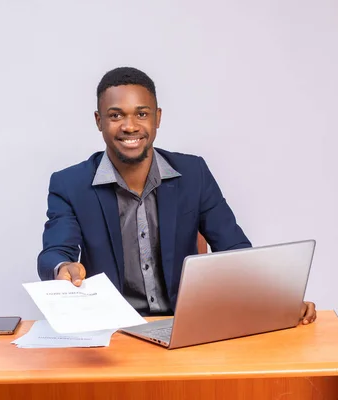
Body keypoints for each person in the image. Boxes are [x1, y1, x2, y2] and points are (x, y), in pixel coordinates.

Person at [37, 67, 317, 324]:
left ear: (158, 118)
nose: (130, 126)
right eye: (116, 115)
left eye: (141, 114)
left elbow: (234, 251)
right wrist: (63, 268)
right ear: (99, 121)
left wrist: (277, 301)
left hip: (183, 325)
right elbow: (55, 252)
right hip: (112, 331)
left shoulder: (194, 173)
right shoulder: (69, 184)